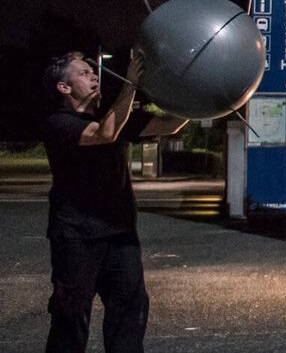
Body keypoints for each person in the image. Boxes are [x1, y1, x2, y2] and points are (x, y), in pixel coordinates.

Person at [40, 49, 187, 353]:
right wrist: (130, 85)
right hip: (76, 237)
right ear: (63, 87)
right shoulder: (59, 123)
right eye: (84, 73)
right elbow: (105, 133)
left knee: (129, 316)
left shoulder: (114, 114)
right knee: (71, 319)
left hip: (120, 235)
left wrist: (193, 90)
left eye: (94, 72)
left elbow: (171, 124)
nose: (94, 75)